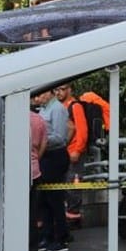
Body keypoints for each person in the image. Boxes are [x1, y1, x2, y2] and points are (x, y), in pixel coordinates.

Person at [37, 88, 71, 251]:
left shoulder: (57, 109)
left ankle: (61, 237)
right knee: (43, 199)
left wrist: (39, 140)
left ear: (49, 92)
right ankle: (47, 235)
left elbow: (59, 136)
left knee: (55, 198)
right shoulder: (43, 109)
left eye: (41, 94)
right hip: (44, 155)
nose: (38, 98)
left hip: (55, 155)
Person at [54, 82, 88, 224]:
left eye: (62, 89)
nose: (58, 93)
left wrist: (77, 150)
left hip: (73, 153)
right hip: (63, 153)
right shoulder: (60, 107)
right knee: (65, 186)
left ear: (69, 90)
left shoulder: (75, 106)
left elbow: (82, 130)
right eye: (56, 90)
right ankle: (68, 217)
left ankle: (74, 218)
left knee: (73, 185)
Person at [29, 95, 48, 251]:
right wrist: (36, 158)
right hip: (35, 170)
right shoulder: (39, 120)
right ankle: (33, 246)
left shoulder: (11, 119)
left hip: (15, 172)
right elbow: (44, 144)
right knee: (33, 210)